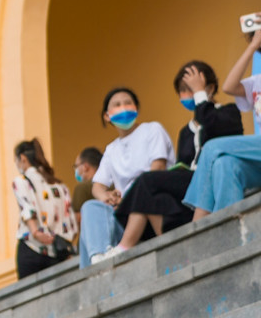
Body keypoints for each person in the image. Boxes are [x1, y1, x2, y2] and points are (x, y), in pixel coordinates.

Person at [102, 62, 245, 255]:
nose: (188, 95)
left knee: (146, 180)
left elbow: (212, 126)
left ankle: (125, 245)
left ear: (210, 88)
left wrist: (200, 94)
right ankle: (172, 250)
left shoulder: (228, 112)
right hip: (190, 190)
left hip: (212, 178)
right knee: (156, 197)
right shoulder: (185, 132)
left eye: (192, 89)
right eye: (183, 90)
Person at [79, 88, 173, 265]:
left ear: (136, 108)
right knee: (90, 207)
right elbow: (97, 186)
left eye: (128, 102)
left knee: (142, 188)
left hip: (151, 207)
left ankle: (99, 264)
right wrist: (107, 197)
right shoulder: (111, 149)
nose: (123, 107)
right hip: (124, 213)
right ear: (107, 116)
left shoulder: (152, 130)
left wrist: (129, 199)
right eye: (117, 104)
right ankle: (98, 258)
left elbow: (157, 168)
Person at [186, 29, 261, 219]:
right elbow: (229, 86)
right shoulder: (256, 82)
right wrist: (252, 46)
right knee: (224, 164)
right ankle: (228, 231)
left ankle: (199, 219)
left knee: (212, 148)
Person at [11, 140, 78, 279]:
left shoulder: (22, 181)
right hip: (57, 251)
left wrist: (35, 232)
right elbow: (71, 222)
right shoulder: (60, 187)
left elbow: (27, 207)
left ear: (23, 158)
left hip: (31, 247)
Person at [71, 148, 102, 217]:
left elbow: (78, 218)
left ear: (85, 167)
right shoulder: (113, 184)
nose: (76, 170)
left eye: (76, 166)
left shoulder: (82, 188)